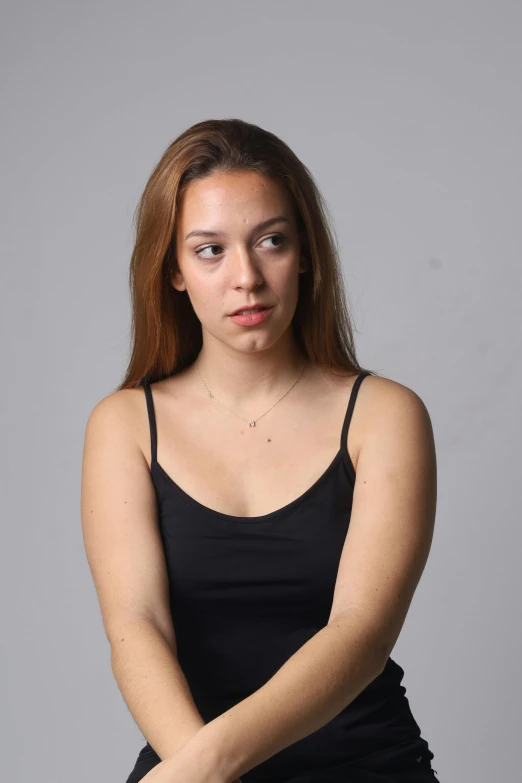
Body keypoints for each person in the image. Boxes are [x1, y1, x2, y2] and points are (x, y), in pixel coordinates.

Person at [81, 118, 440, 782]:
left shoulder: (385, 416)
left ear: (305, 252)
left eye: (270, 241)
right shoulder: (124, 424)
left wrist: (206, 767)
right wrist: (200, 771)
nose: (246, 276)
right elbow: (138, 627)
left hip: (364, 766)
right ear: (175, 272)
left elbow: (360, 633)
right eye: (210, 250)